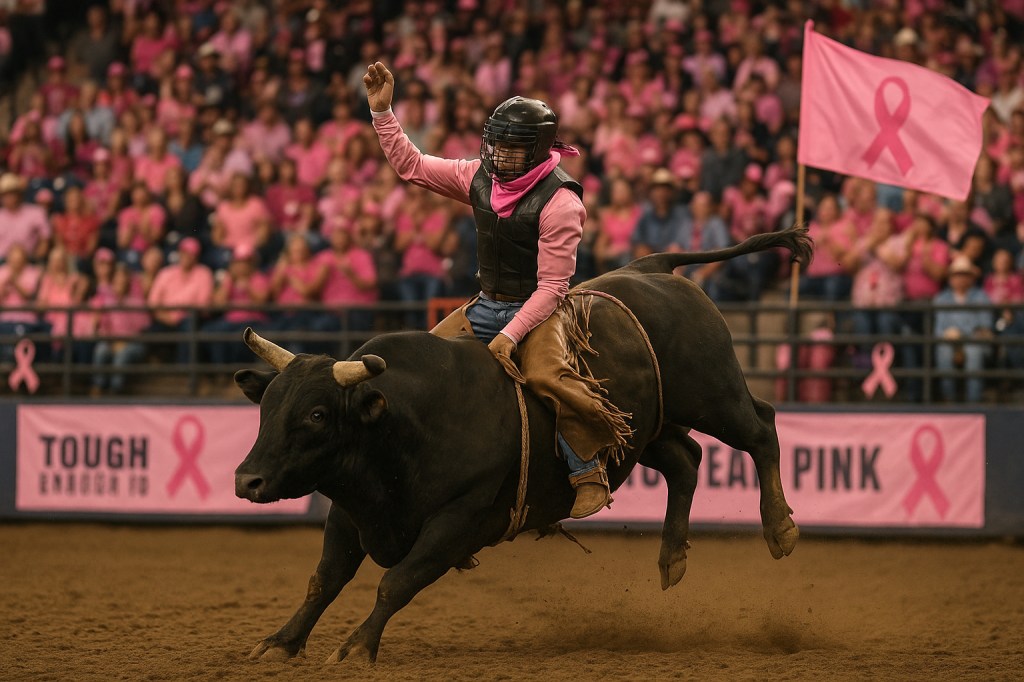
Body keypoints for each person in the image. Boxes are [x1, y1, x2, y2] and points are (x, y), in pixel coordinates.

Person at [365, 61, 631, 518]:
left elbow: (552, 287)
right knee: (427, 364)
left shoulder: (562, 202)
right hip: (487, 303)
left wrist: (510, 335)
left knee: (549, 377)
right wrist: (383, 112)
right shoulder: (477, 176)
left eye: (510, 148)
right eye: (495, 144)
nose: (498, 154)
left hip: (544, 311)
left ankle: (587, 470)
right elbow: (411, 166)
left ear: (538, 151)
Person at [933, 256, 994, 402]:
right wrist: (954, 341)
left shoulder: (982, 297)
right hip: (950, 342)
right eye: (957, 275)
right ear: (950, 278)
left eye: (964, 275)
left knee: (973, 351)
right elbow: (939, 329)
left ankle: (974, 401)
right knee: (943, 351)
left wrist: (963, 338)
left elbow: (985, 326)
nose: (960, 279)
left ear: (971, 278)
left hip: (975, 341)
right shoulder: (941, 299)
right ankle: (949, 400)